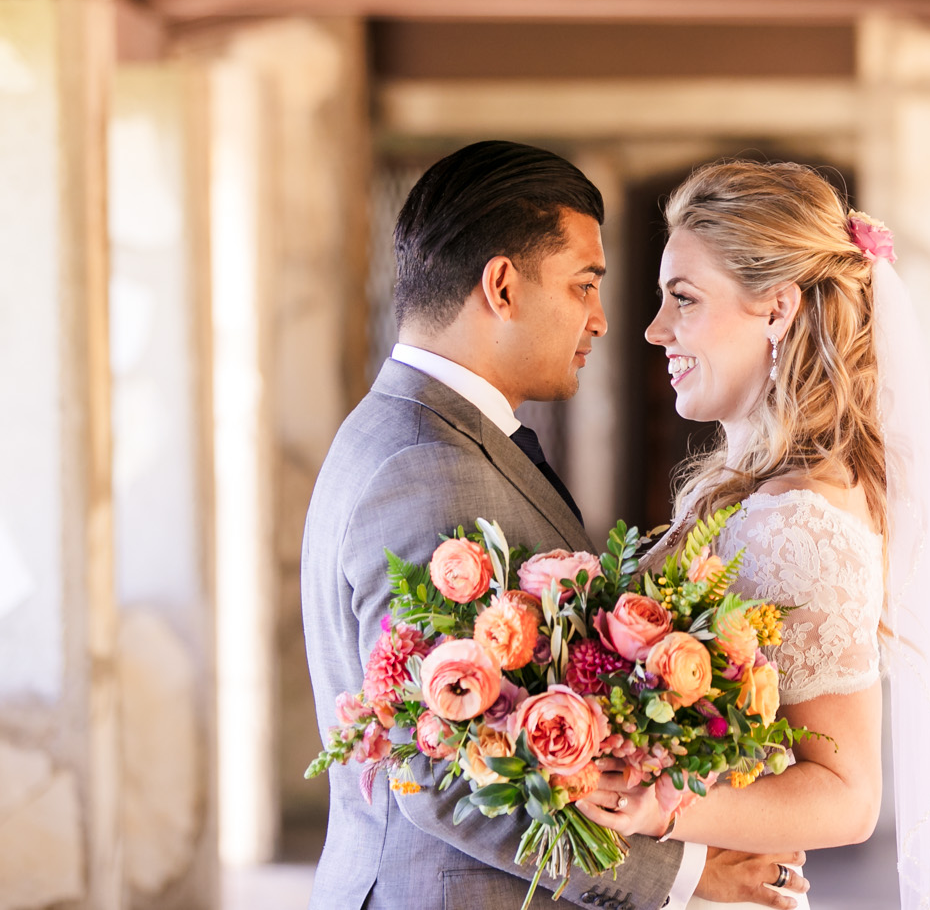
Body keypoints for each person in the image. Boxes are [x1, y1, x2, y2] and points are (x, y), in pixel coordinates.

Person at [300, 141, 809, 910]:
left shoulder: (419, 433)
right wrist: (686, 875)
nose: (605, 320)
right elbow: (441, 777)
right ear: (502, 285)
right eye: (584, 285)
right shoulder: (425, 465)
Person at [577, 160, 930, 910]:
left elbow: (848, 794)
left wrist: (662, 803)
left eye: (684, 299)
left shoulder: (805, 525)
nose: (654, 329)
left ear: (777, 310)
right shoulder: (757, 493)